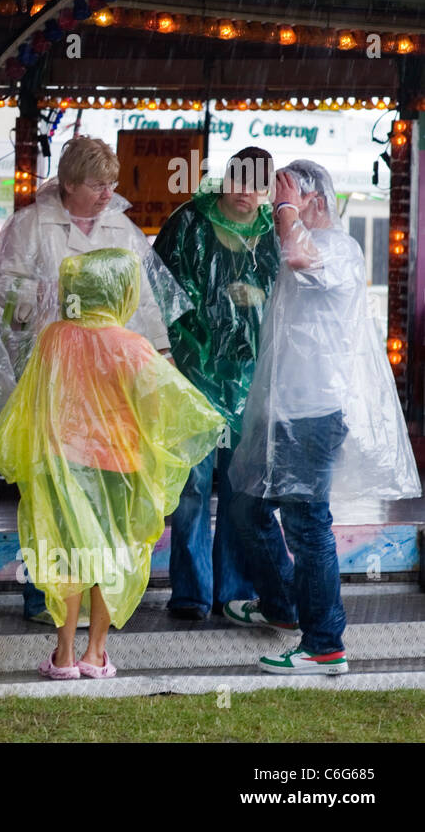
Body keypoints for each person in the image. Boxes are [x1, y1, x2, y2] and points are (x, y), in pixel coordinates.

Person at [0, 248, 223, 678]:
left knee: (67, 554)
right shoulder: (132, 346)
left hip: (65, 464)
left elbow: (34, 401)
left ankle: (63, 654)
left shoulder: (54, 338)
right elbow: (165, 405)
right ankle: (95, 653)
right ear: (120, 292)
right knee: (109, 557)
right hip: (120, 468)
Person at [0, 135, 187, 623]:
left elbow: (146, 300)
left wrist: (162, 354)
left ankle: (99, 598)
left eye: (112, 184)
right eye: (97, 184)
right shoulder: (32, 225)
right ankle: (42, 596)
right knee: (48, 485)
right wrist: (45, 297)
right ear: (70, 183)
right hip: (51, 371)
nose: (106, 194)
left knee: (102, 484)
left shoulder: (122, 228)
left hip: (110, 382)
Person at [226, 160, 420, 674]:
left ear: (313, 199)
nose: (274, 212)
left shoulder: (337, 248)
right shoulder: (310, 243)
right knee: (246, 505)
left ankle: (325, 644)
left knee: (308, 525)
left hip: (312, 415)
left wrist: (287, 208)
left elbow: (297, 256)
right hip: (282, 411)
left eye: (285, 199)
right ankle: (283, 606)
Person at [153, 147, 280, 621]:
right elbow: (161, 294)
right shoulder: (187, 223)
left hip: (252, 380)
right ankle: (190, 593)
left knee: (242, 490)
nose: (247, 194)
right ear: (226, 180)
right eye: (240, 182)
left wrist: (259, 297)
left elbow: (293, 297)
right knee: (191, 488)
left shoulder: (273, 233)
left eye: (258, 186)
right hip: (195, 377)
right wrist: (196, 341)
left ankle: (234, 591)